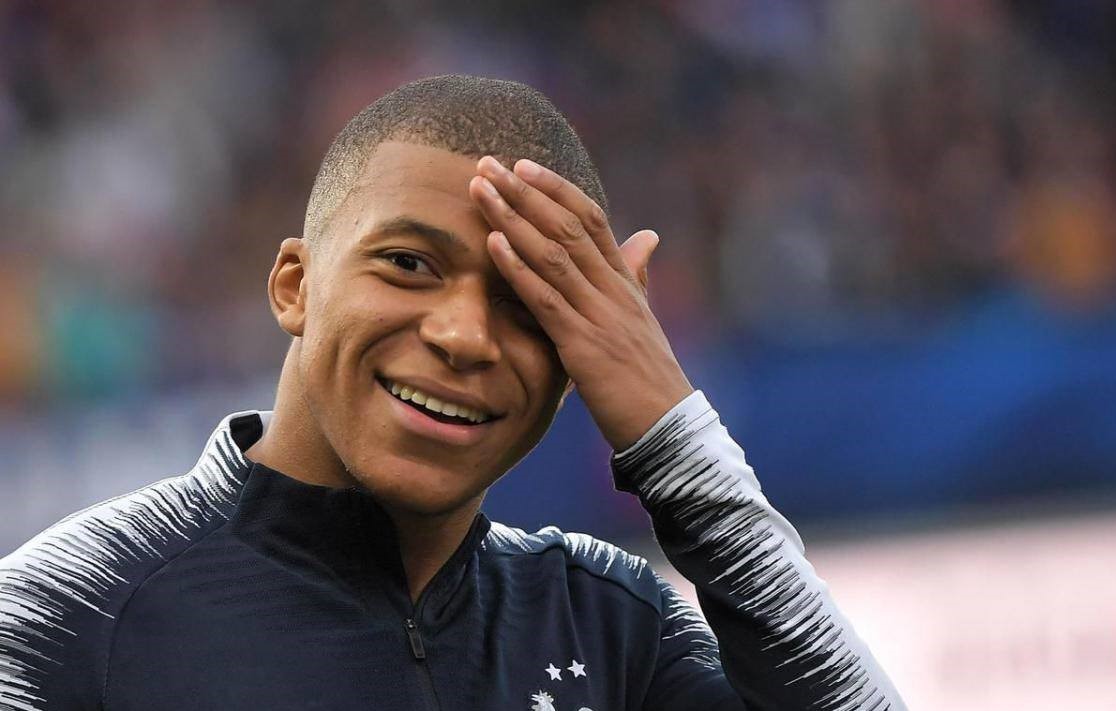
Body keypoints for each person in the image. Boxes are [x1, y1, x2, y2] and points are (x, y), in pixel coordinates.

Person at [0, 75, 905, 710]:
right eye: (407, 264)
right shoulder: (69, 613)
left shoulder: (611, 626)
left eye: (528, 302)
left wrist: (675, 440)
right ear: (294, 286)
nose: (465, 336)